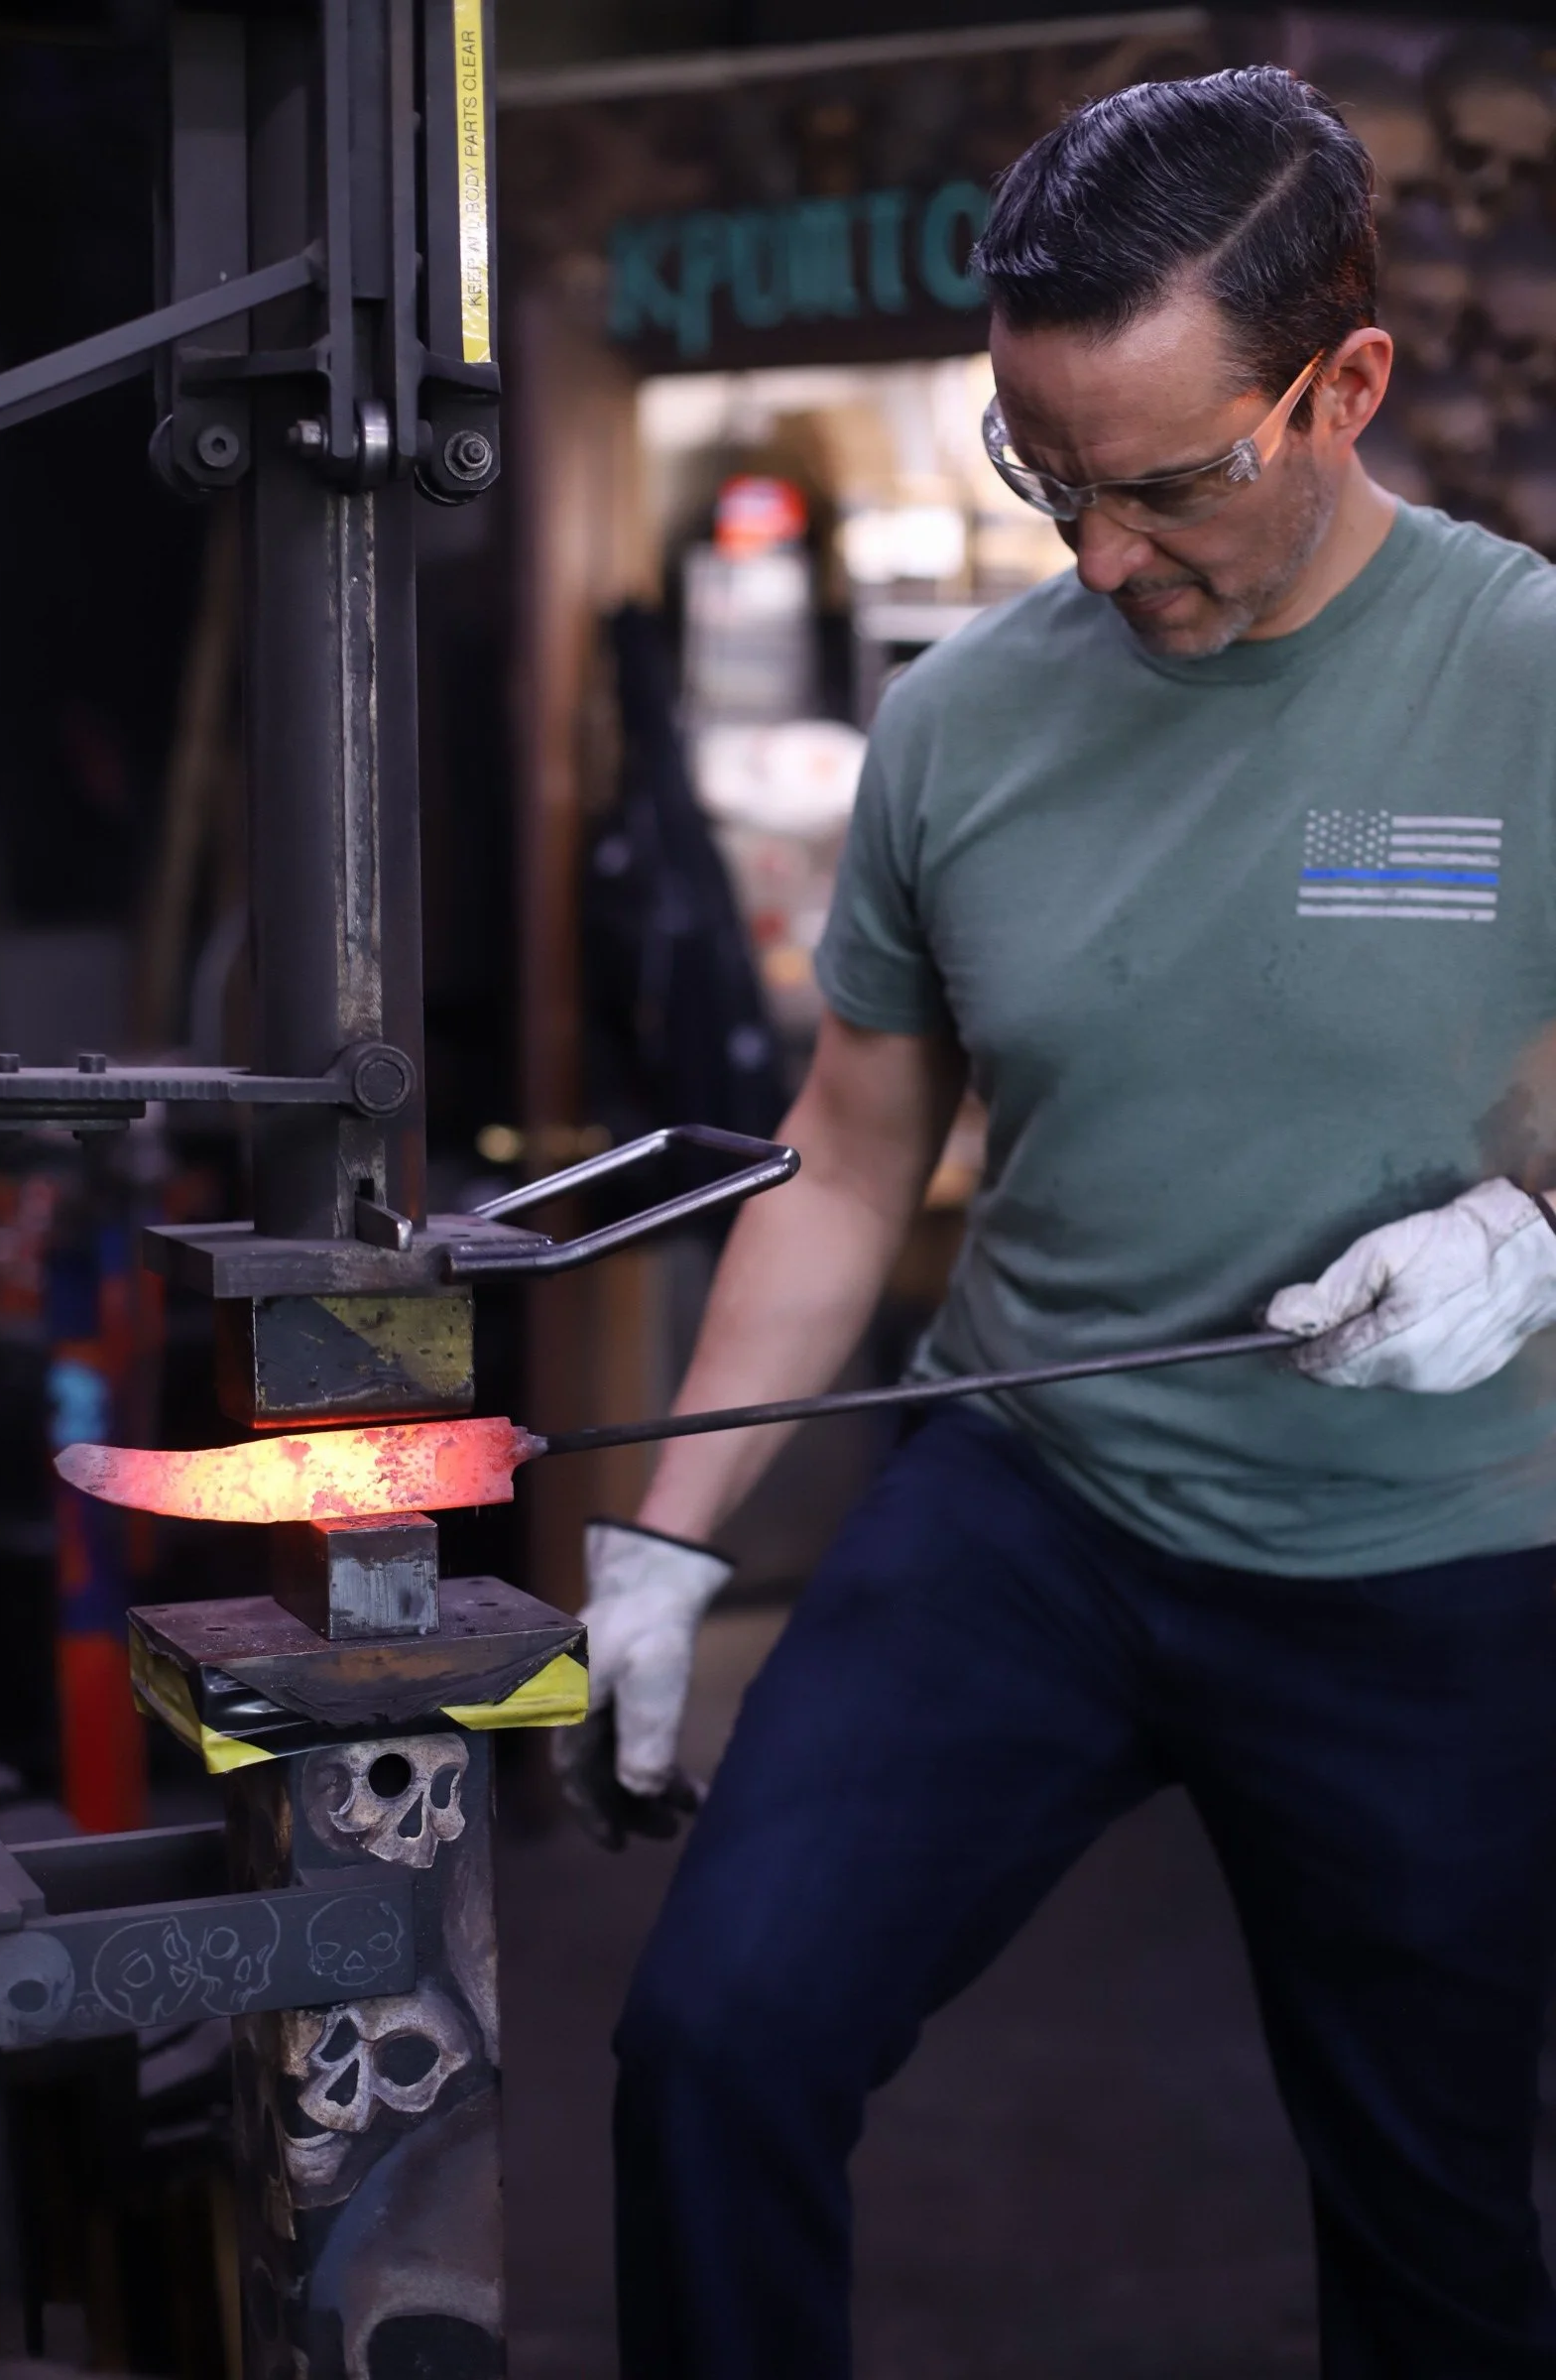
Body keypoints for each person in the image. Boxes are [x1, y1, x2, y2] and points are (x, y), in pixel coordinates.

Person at [554, 65, 1556, 2378]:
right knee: (711, 2045)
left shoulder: (1521, 678)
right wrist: (672, 1538)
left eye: (1166, 484)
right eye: (1044, 475)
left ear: (1341, 389)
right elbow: (851, 1150)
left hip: (1427, 1563)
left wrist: (1529, 1236)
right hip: (1034, 1508)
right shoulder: (961, 724)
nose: (1097, 557)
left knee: (1431, 2243)